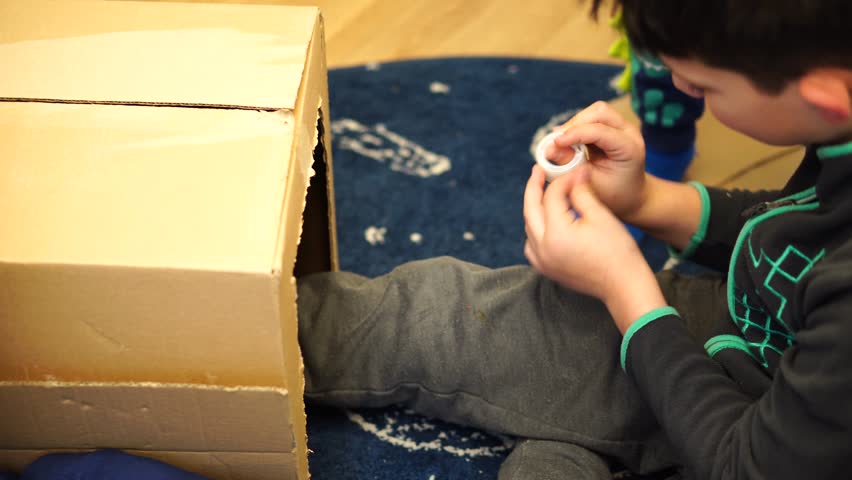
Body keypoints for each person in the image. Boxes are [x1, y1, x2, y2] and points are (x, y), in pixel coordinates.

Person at [298, 1, 852, 479]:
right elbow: (800, 229)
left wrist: (626, 290)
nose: (682, 88)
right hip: (761, 359)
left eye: (705, 85)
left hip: (746, 441)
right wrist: (646, 201)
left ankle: (249, 335)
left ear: (827, 95)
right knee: (482, 349)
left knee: (456, 331)